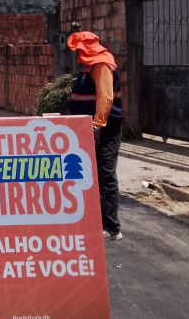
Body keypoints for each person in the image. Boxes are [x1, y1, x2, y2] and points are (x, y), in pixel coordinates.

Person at [68, 30, 123, 242]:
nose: (77, 53)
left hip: (104, 129)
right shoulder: (89, 66)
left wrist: (97, 126)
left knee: (105, 174)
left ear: (88, 47)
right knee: (92, 175)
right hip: (89, 128)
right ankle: (97, 221)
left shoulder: (101, 64)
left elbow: (105, 98)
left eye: (79, 49)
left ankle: (112, 228)